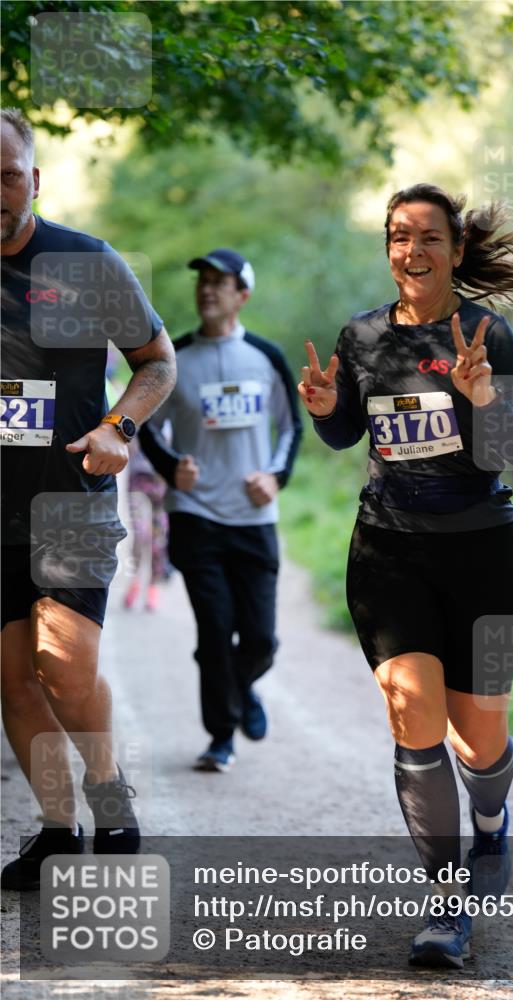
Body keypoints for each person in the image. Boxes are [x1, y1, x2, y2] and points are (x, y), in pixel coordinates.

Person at [299, 183, 513, 968]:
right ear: (388, 247)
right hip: (389, 551)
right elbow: (347, 432)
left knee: (479, 740)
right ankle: (446, 905)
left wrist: (483, 397)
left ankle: (489, 824)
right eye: (398, 236)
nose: (412, 251)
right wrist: (322, 405)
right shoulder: (364, 335)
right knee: (411, 710)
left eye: (429, 238)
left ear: (454, 250)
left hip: (481, 552)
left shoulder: (485, 332)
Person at [0, 108, 176, 890]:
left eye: (6, 175)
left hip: (70, 497)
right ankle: (55, 831)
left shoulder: (86, 262)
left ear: (34, 180)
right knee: (11, 678)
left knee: (63, 670)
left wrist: (121, 426)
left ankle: (111, 802)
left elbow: (156, 360)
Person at [139, 248, 302, 772]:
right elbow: (145, 425)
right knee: (214, 628)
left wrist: (275, 477)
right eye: (202, 281)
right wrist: (171, 469)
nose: (207, 290)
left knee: (260, 639)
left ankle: (242, 683)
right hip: (195, 515)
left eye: (220, 282)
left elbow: (290, 427)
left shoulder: (268, 357)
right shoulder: (173, 358)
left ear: (243, 295)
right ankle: (220, 737)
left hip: (254, 518)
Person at [123, 435, 171, 613]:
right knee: (139, 534)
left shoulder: (171, 411)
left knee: (158, 540)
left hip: (162, 481)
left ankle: (153, 585)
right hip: (138, 480)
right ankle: (135, 579)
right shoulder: (136, 411)